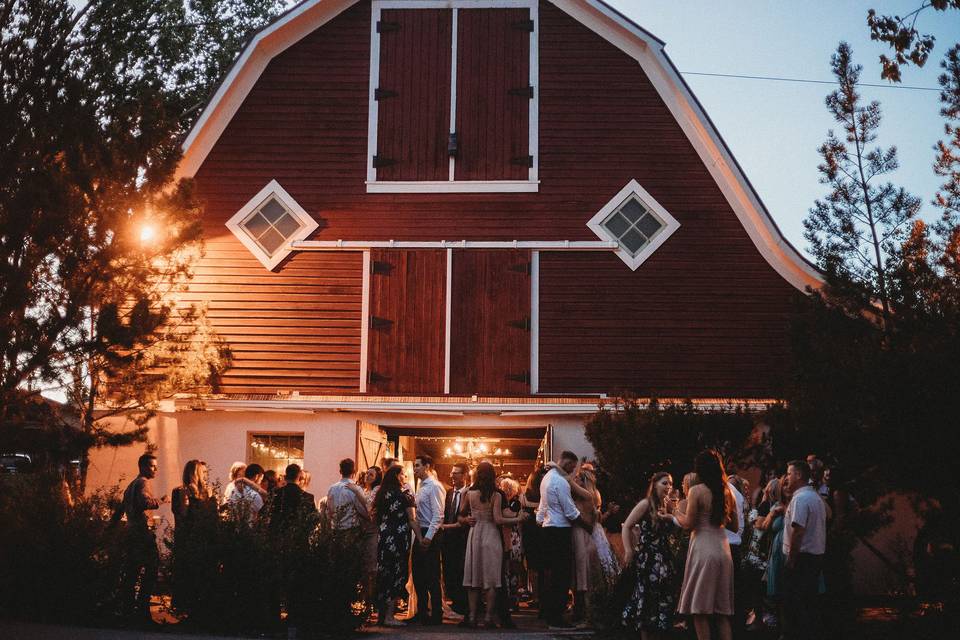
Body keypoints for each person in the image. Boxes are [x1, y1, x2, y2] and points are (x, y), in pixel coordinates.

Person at [674, 449, 738, 640]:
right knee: (721, 613)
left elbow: (688, 524)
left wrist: (674, 512)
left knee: (700, 611)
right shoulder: (727, 491)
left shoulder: (697, 491)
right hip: (723, 550)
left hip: (703, 549)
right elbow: (734, 526)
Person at [460, 461, 526, 628]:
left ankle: (473, 617)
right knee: (491, 579)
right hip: (491, 536)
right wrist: (518, 518)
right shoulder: (497, 495)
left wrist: (467, 520)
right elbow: (498, 519)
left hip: (474, 535)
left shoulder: (468, 493)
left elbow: (460, 516)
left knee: (473, 578)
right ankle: (488, 618)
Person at [536, 450, 590, 630]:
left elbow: (542, 506)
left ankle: (549, 613)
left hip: (546, 529)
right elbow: (570, 512)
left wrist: (539, 521)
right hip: (560, 531)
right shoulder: (560, 481)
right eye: (572, 467)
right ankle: (556, 618)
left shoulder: (546, 478)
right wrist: (589, 526)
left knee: (551, 574)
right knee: (561, 576)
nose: (573, 472)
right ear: (566, 463)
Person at [621, 472, 679, 640]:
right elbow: (627, 526)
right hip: (649, 558)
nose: (668, 487)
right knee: (647, 599)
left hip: (665, 558)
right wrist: (629, 550)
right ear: (654, 485)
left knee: (663, 600)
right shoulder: (645, 504)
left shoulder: (668, 506)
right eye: (664, 483)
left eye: (670, 483)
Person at [117, 453, 168, 625]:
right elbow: (146, 502)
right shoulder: (143, 482)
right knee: (152, 567)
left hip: (131, 532)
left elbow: (121, 509)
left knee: (131, 572)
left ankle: (128, 610)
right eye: (152, 466)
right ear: (143, 467)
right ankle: (142, 610)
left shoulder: (130, 485)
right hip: (141, 532)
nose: (156, 469)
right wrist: (161, 500)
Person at [782, 460, 827, 640]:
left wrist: (791, 560)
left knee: (795, 604)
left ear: (799, 475)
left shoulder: (801, 498)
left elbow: (798, 531)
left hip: (801, 559)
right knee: (809, 603)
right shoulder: (815, 497)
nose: (787, 477)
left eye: (789, 473)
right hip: (815, 558)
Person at [374, 464, 421, 627]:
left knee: (384, 574)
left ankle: (381, 615)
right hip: (399, 537)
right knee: (397, 575)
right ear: (396, 476)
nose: (405, 477)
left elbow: (375, 516)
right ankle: (389, 616)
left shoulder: (381, 494)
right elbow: (412, 519)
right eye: (403, 475)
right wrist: (421, 538)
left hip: (384, 536)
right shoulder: (405, 495)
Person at [411, 454, 445, 625]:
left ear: (427, 466)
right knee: (418, 574)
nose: (415, 468)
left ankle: (437, 614)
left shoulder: (434, 486)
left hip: (430, 532)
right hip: (420, 531)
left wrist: (428, 538)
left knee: (432, 575)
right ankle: (422, 611)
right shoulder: (420, 486)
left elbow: (438, 515)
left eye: (418, 465)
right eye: (414, 465)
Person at [440, 462, 469, 616]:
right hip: (447, 539)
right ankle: (455, 603)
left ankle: (462, 604)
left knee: (461, 572)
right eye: (452, 473)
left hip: (463, 538)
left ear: (465, 475)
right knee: (449, 571)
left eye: (456, 473)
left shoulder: (469, 492)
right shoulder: (449, 493)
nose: (452, 476)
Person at [520, 465, 547, 614]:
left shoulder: (525, 496)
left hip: (530, 534)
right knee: (543, 568)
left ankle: (537, 597)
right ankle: (542, 598)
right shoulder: (545, 495)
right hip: (542, 532)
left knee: (533, 567)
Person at [324, 458, 369, 532]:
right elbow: (362, 511)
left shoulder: (332, 488)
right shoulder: (356, 489)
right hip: (351, 530)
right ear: (354, 472)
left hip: (335, 529)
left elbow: (330, 510)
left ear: (340, 471)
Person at [270, 463, 318, 532]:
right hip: (299, 537)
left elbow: (266, 513)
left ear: (286, 476)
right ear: (298, 477)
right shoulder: (308, 497)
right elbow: (313, 520)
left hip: (278, 534)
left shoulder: (276, 493)